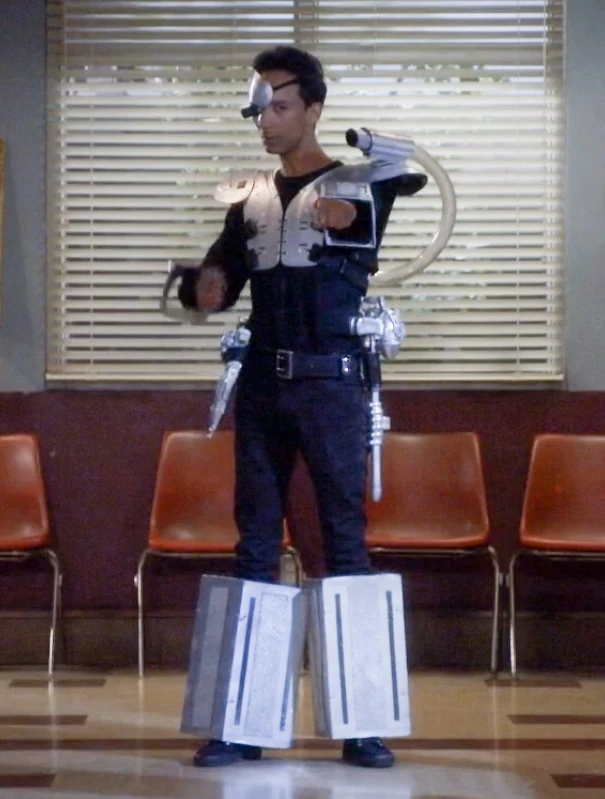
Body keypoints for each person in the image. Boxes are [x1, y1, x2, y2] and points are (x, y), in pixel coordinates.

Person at [178, 45, 424, 769]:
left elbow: (382, 199)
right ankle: (240, 721)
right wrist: (199, 287)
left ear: (312, 109)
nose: (266, 120)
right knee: (254, 541)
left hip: (333, 384)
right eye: (260, 108)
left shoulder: (360, 182)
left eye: (280, 106)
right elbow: (218, 280)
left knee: (344, 540)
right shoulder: (250, 197)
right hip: (262, 383)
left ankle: (363, 723)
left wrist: (347, 207)